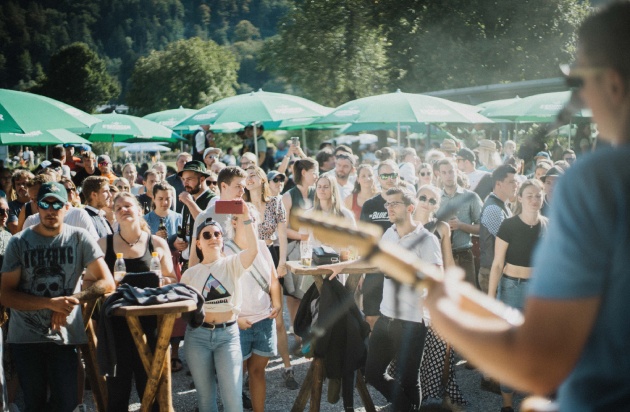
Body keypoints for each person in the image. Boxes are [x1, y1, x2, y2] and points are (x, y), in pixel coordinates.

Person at [421, 7, 630, 403]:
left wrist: (444, 312)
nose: (579, 98)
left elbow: (537, 364)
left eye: (579, 81)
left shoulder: (598, 181)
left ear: (614, 84)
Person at [1, 182, 115, 412]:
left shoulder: (80, 238)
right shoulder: (19, 242)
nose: (50, 210)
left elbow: (107, 282)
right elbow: (5, 294)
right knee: (34, 404)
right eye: (45, 203)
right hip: (26, 338)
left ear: (67, 206)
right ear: (36, 206)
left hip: (65, 338)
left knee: (66, 402)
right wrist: (50, 303)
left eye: (56, 204)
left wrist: (70, 301)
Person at [98, 192, 177, 411]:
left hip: (151, 324)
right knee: (117, 391)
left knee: (150, 388)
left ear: (139, 210)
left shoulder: (157, 243)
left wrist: (161, 280)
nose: (124, 210)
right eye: (119, 208)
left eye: (128, 206)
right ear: (114, 214)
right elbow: (89, 281)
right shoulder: (103, 244)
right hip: (116, 327)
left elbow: (171, 278)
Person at [365, 187, 442, 410]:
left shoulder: (427, 239)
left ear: (410, 208)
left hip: (412, 321)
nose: (389, 208)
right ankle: (406, 408)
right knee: (372, 373)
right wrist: (340, 265)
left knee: (409, 379)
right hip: (386, 315)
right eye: (387, 204)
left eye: (394, 204)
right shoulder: (389, 234)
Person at [181, 208, 259, 412]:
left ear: (222, 240)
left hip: (228, 336)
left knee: (233, 401)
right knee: (206, 401)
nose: (213, 237)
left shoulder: (232, 264)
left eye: (217, 234)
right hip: (197, 336)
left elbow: (253, 251)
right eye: (206, 235)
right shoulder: (190, 274)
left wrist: (246, 219)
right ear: (198, 243)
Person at [486, 179, 547, 412]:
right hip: (512, 287)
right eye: (529, 195)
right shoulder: (508, 226)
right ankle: (507, 403)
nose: (534, 199)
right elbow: (497, 263)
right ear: (519, 198)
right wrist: (491, 297)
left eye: (538, 195)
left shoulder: (549, 225)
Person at [224, 210, 281, 412]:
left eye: (254, 220)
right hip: (237, 322)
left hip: (264, 319)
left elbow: (273, 279)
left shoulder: (263, 248)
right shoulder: (225, 251)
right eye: (247, 219)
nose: (252, 224)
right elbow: (219, 291)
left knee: (258, 372)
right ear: (234, 222)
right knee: (236, 374)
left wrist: (277, 303)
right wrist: (234, 318)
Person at [359, 160, 402, 330]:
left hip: (399, 268)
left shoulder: (406, 203)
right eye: (385, 175)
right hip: (374, 269)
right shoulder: (370, 205)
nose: (389, 179)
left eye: (393, 174)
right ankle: (374, 355)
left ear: (398, 176)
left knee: (398, 318)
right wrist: (362, 271)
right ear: (378, 178)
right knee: (371, 316)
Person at [436, 159, 483, 287]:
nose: (448, 176)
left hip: (464, 255)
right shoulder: (435, 199)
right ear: (439, 175)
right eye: (444, 172)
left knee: (468, 299)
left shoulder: (471, 197)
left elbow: (483, 228)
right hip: (442, 254)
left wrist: (461, 225)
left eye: (451, 171)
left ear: (457, 171)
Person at [478, 165, 518, 293]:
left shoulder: (502, 205)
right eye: (511, 182)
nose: (516, 185)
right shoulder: (493, 209)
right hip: (492, 274)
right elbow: (510, 242)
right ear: (499, 184)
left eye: (516, 181)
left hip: (498, 272)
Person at [175, 161, 215, 264]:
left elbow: (206, 224)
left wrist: (189, 202)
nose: (185, 183)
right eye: (183, 179)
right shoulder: (188, 200)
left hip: (204, 262)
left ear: (202, 179)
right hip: (186, 261)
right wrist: (178, 242)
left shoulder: (214, 200)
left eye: (189, 179)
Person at [7, 169, 33, 234]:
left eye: (24, 183)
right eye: (18, 184)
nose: (21, 186)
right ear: (14, 187)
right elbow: (15, 229)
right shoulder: (10, 206)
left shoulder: (38, 204)